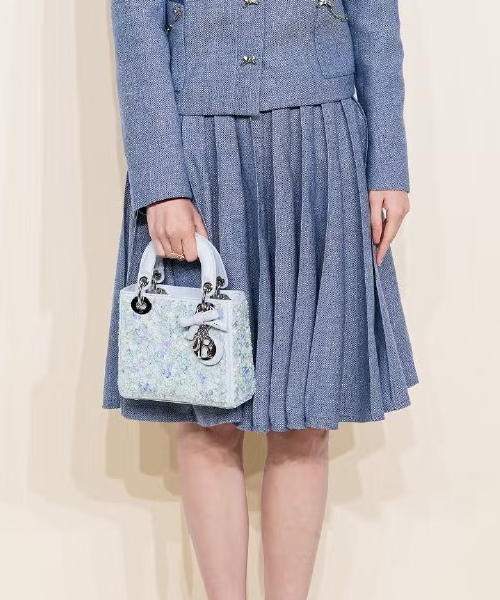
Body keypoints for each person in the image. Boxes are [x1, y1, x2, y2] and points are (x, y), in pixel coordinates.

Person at [103, 1, 418, 598]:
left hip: (322, 149)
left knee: (305, 416)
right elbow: (136, 24)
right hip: (197, 153)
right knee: (206, 413)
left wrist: (389, 163)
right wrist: (160, 181)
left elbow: (376, 18)